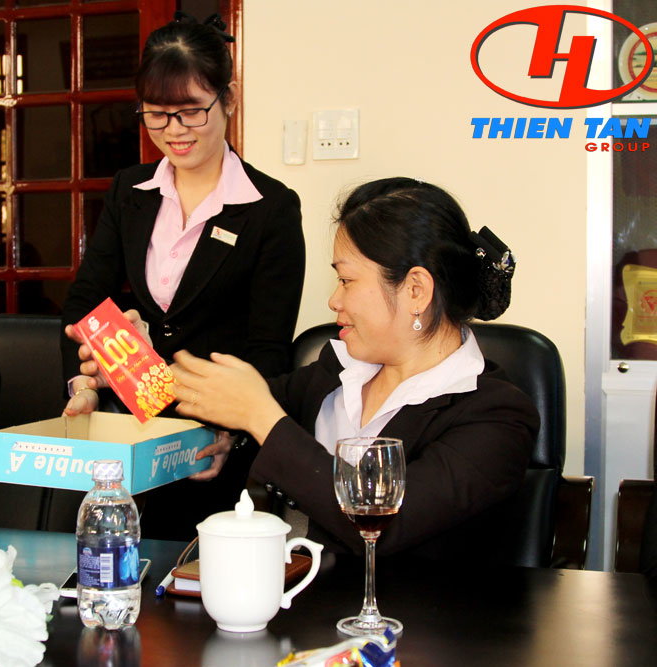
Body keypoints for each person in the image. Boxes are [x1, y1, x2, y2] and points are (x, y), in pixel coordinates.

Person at [170, 177, 540, 558]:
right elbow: (219, 399)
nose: (334, 299)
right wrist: (139, 357)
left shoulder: (497, 417)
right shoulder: (339, 372)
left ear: (416, 290)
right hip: (298, 592)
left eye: (347, 280)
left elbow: (385, 523)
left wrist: (260, 418)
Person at [60, 13, 305, 541]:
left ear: (228, 99)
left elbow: (268, 350)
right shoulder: (129, 191)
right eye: (156, 113)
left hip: (213, 447)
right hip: (128, 430)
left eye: (191, 111)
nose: (173, 131)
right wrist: (86, 382)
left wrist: (228, 432)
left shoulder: (270, 208)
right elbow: (86, 302)